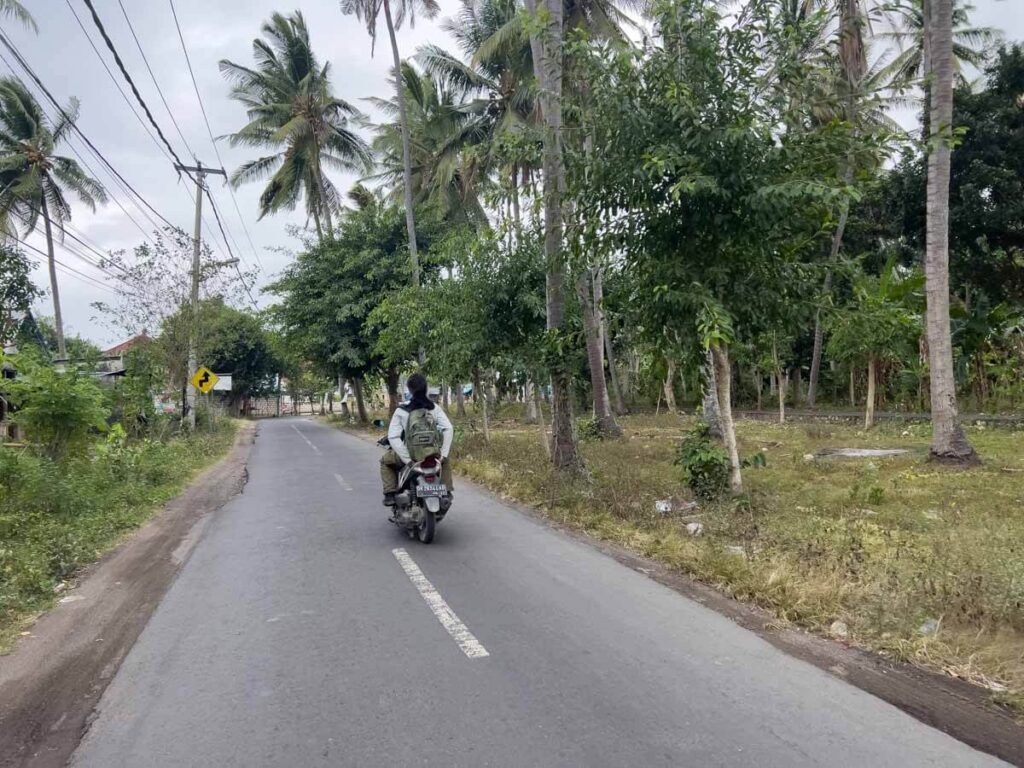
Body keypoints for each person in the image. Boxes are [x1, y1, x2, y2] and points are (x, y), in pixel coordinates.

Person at [380, 372, 454, 506]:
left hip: (412, 456)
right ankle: (447, 491)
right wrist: (443, 454)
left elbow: (393, 437)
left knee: (385, 462)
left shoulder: (402, 410)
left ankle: (389, 494)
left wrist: (407, 460)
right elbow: (448, 428)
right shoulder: (434, 408)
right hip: (432, 454)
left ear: (409, 389)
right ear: (426, 388)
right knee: (446, 461)